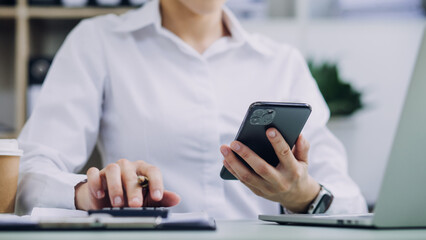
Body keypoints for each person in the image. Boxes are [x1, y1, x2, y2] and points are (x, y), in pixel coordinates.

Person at [16, 0, 367, 218]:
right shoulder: (97, 43)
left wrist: (303, 196)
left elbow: (350, 201)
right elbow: (28, 176)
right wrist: (88, 193)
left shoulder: (281, 62)